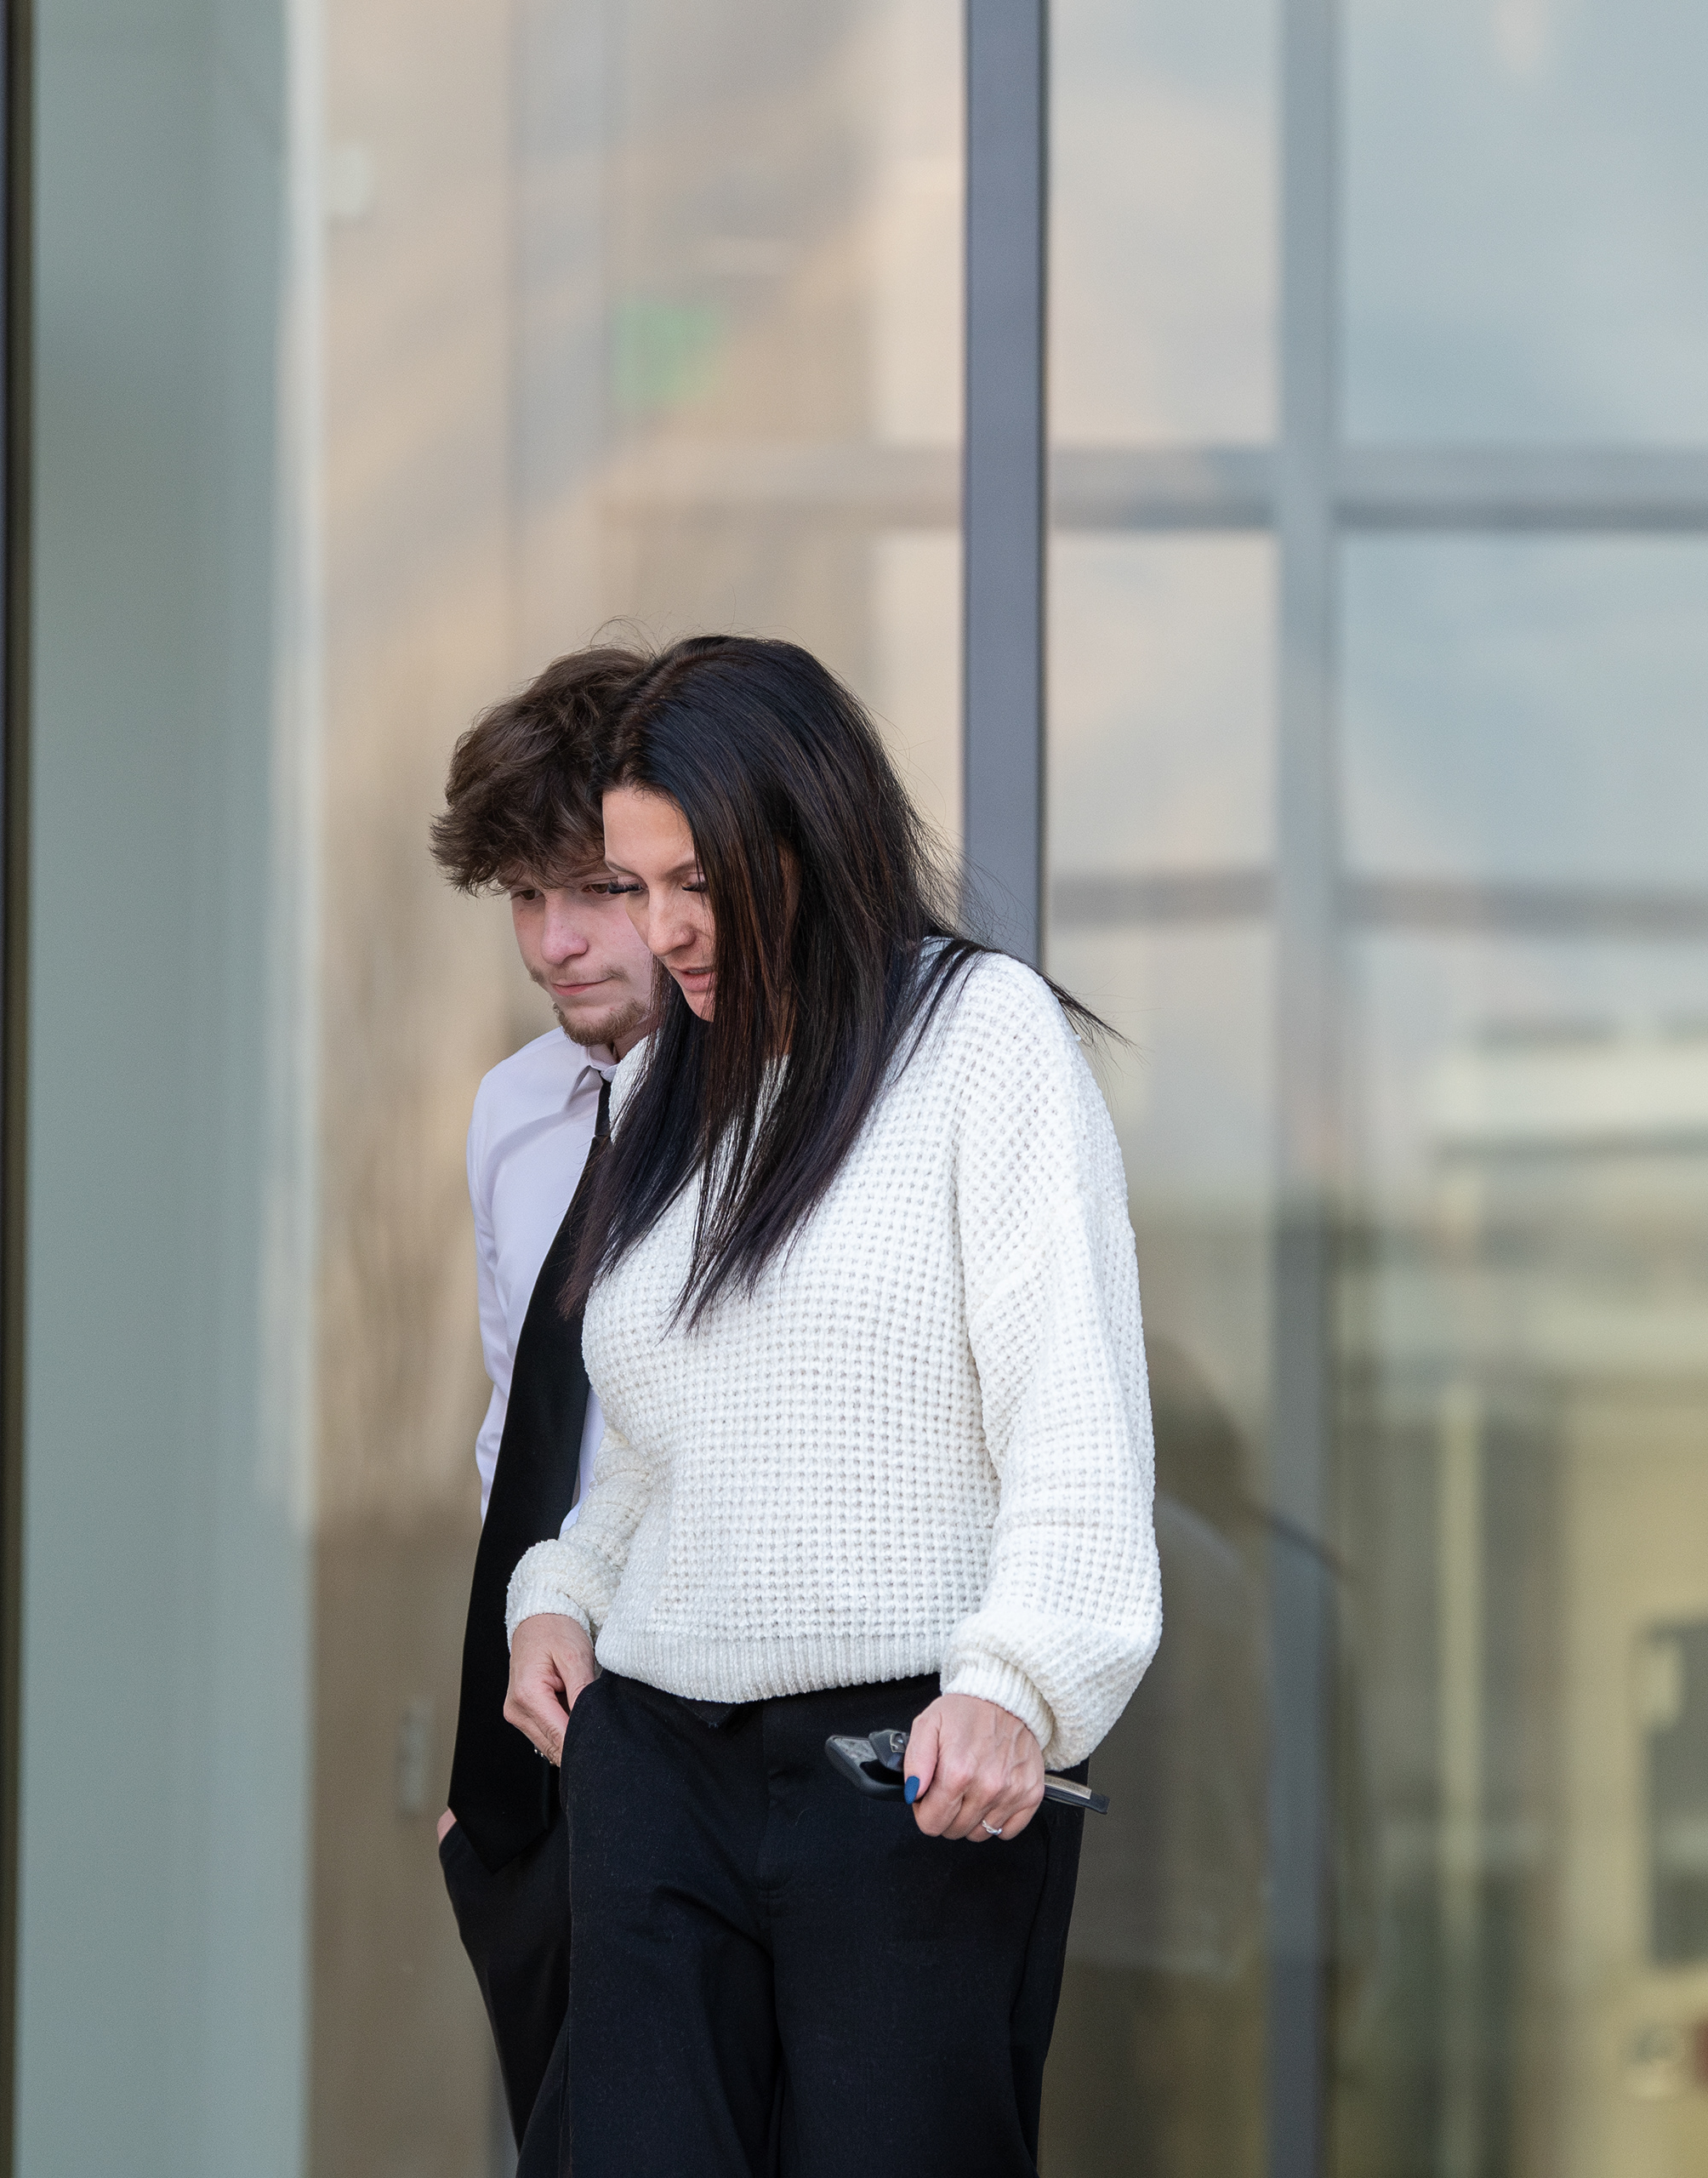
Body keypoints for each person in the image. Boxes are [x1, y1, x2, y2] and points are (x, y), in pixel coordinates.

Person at [500, 634, 1161, 2175]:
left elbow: (1075, 1411)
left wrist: (1023, 1680)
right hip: (657, 1765)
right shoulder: (679, 1081)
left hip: (909, 1781)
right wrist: (560, 1594)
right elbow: (664, 1446)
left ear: (809, 831)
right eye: (632, 886)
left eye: (698, 883)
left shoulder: (978, 1039)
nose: (662, 932)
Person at [425, 646, 663, 2166]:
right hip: (530, 1748)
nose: (555, 942)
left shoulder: (772, 1119)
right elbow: (522, 1436)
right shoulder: (514, 1115)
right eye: (524, 896)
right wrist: (480, 1789)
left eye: (594, 890)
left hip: (702, 1721)